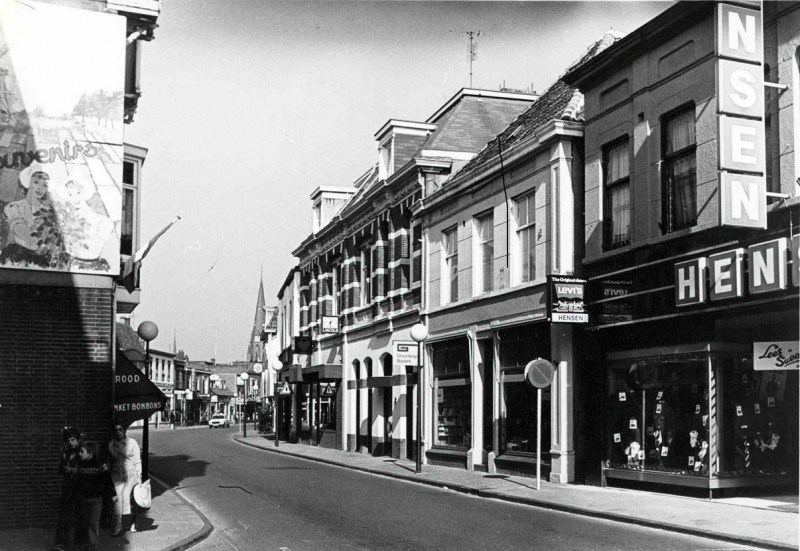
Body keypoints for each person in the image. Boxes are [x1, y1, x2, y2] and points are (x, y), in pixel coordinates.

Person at [1, 162, 68, 269]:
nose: (40, 188)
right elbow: (27, 236)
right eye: (36, 182)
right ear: (28, 182)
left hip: (43, 259)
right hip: (19, 257)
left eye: (45, 185)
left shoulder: (49, 211)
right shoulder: (14, 207)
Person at [76, 442, 117, 551]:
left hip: (96, 500)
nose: (79, 454)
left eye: (82, 452)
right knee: (85, 523)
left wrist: (113, 494)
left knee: (93, 524)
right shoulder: (81, 464)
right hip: (84, 499)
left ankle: (94, 548)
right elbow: (78, 481)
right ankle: (87, 545)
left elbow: (108, 480)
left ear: (90, 453)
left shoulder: (100, 465)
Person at [51, 427, 86, 551]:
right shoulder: (65, 453)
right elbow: (60, 468)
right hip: (67, 488)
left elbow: (87, 470)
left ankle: (80, 544)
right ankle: (60, 544)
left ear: (77, 440)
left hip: (79, 488)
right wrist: (64, 468)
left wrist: (74, 470)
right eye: (68, 440)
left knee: (80, 516)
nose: (71, 442)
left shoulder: (82, 452)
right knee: (64, 516)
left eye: (73, 440)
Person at [108, 421, 142, 536]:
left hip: (131, 475)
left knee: (131, 501)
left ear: (124, 431)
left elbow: (137, 461)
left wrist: (139, 477)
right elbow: (111, 461)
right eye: (116, 430)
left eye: (120, 429)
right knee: (118, 502)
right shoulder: (111, 444)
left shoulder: (132, 443)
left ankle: (132, 524)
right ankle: (118, 527)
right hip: (117, 475)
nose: (118, 432)